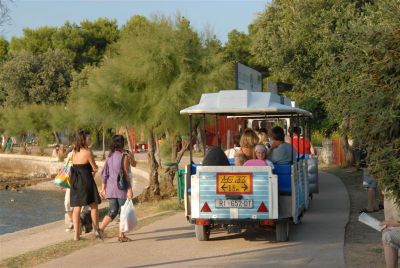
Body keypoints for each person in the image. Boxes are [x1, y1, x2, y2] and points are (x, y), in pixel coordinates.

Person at [99, 135, 136, 242]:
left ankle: (100, 229)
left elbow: (104, 173)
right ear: (122, 143)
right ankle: (121, 236)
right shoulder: (123, 155)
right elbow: (125, 174)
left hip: (110, 188)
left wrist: (103, 188)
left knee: (112, 211)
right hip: (121, 188)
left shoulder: (109, 156)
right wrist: (129, 189)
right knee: (122, 212)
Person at [70, 131, 101, 241]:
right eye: (89, 139)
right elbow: (94, 168)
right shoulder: (87, 152)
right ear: (83, 140)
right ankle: (96, 231)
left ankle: (76, 235)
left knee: (76, 208)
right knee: (93, 205)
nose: (90, 140)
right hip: (86, 181)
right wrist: (95, 169)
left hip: (75, 182)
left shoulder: (74, 152)